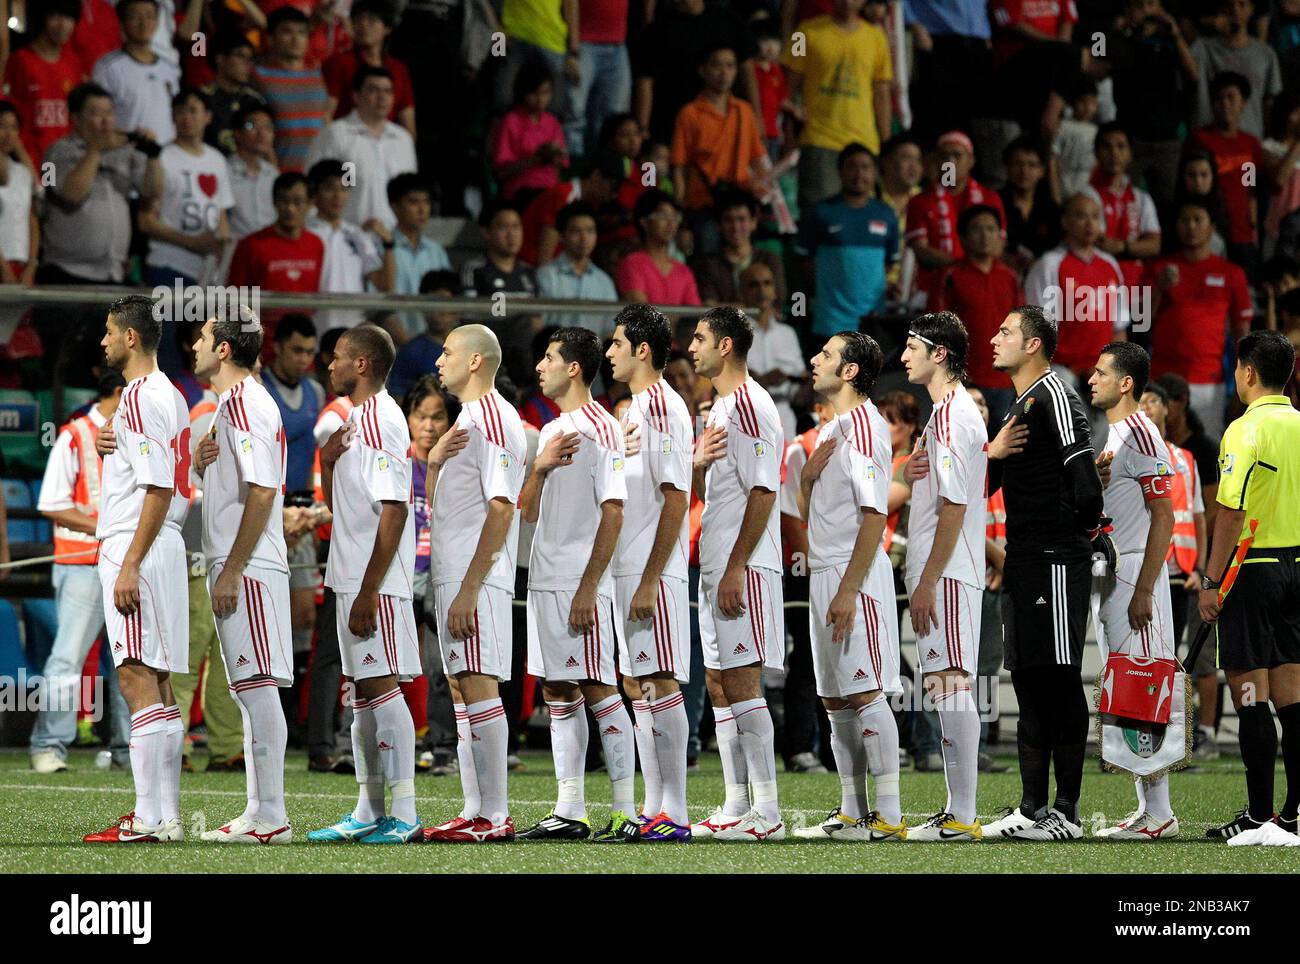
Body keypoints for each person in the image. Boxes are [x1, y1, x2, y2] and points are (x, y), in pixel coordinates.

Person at [982, 305, 1105, 841]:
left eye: (1006, 332)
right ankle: (1032, 807)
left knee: (1057, 677)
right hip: (1024, 557)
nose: (994, 338)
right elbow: (988, 482)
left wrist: (1084, 536)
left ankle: (1067, 810)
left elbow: (1083, 480)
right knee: (1030, 678)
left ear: (1034, 345)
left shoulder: (1055, 395)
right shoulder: (1021, 403)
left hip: (1055, 556)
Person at [516, 327, 634, 842]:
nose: (539, 366)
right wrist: (538, 471)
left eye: (548, 358)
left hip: (579, 581)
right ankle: (570, 810)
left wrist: (590, 586)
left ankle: (627, 811)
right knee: (558, 690)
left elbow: (614, 511)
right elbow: (528, 512)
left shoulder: (602, 428)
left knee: (600, 688)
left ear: (573, 368)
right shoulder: (550, 430)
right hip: (545, 576)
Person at [83, 295, 192, 843]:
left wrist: (129, 562)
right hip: (162, 546)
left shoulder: (143, 397)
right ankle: (163, 815)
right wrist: (116, 441)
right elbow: (155, 466)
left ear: (130, 337)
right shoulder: (165, 393)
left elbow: (158, 484)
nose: (102, 341)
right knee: (160, 679)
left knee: (135, 676)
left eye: (108, 332)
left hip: (138, 544)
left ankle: (151, 819)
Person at [308, 325, 422, 844]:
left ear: (361, 365)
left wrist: (371, 590)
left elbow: (395, 509)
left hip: (374, 582)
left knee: (381, 686)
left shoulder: (381, 419)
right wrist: (328, 463)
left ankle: (405, 813)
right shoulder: (358, 421)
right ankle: (367, 808)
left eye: (336, 358)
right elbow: (346, 508)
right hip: (351, 573)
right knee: (362, 693)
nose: (328, 365)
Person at [790, 331, 903, 841]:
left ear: (852, 370)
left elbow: (875, 514)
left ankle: (890, 815)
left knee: (866, 692)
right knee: (835, 698)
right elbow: (818, 514)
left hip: (853, 576)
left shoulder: (865, 426)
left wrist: (847, 589)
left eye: (828, 355)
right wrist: (809, 481)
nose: (815, 360)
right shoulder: (836, 426)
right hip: (825, 570)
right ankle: (852, 811)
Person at [189, 307, 292, 844]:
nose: (195, 344)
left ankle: (271, 815)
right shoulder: (230, 406)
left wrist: (232, 569)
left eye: (203, 336)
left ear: (225, 349)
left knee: (256, 689)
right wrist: (205, 462)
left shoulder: (246, 403)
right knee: (249, 688)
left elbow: (263, 489)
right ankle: (259, 812)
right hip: (239, 563)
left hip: (246, 567)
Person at [424, 326, 527, 843]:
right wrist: (432, 462)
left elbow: (503, 507)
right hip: (453, 572)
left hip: (476, 578)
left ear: (476, 360)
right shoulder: (469, 417)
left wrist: (469, 588)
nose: (439, 360)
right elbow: (448, 506)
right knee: (463, 690)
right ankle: (474, 810)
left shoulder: (493, 417)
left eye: (447, 352)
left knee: (480, 684)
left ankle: (496, 815)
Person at [1199, 330, 1300, 845]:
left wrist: (1211, 582)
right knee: (1292, 696)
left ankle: (1259, 817)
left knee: (1249, 693)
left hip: (1252, 569)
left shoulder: (1244, 430)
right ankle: (1293, 816)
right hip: (1298, 569)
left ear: (1248, 373)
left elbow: (1230, 511)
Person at [689, 306, 787, 841]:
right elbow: (718, 493)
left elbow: (764, 489)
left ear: (725, 346)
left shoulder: (750, 404)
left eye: (700, 338)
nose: (692, 347)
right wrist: (700, 465)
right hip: (718, 558)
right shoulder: (719, 408)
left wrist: (736, 567)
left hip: (740, 564)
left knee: (745, 682)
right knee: (720, 681)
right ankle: (734, 804)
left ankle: (767, 813)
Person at [604, 305, 694, 841]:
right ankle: (653, 806)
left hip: (648, 571)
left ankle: (676, 812)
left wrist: (649, 578)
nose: (608, 352)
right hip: (627, 566)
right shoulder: (636, 409)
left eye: (616, 343)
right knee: (639, 684)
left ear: (642, 350)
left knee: (659, 681)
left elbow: (677, 498)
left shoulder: (661, 406)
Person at [900, 312, 990, 841]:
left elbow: (956, 506)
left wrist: (930, 579)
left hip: (950, 571)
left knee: (951, 683)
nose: (904, 355)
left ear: (939, 354)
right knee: (941, 683)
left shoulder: (956, 415)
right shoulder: (944, 414)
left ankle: (963, 814)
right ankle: (958, 810)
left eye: (913, 347)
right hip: (943, 568)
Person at [1086, 342, 1180, 840]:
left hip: (1135, 580)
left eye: (1101, 373)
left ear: (1127, 383)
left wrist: (1145, 589)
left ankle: (1161, 811)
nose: (1091, 379)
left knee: (1145, 686)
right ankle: (1148, 807)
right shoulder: (1118, 435)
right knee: (1127, 691)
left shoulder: (1142, 435)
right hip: (1113, 578)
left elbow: (1164, 516)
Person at [30, 371, 130, 774]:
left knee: (133, 663)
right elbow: (51, 503)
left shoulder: (137, 437)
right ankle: (48, 746)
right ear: (121, 393)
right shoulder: (73, 436)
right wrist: (107, 527)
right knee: (68, 660)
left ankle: (129, 751)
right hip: (83, 564)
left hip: (127, 563)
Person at [1139, 383, 1216, 759]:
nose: (1149, 406)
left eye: (1155, 400)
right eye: (1142, 401)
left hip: (1180, 573)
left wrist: (1199, 566)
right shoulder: (1125, 454)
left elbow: (1198, 516)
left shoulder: (1185, 458)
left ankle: (1183, 735)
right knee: (1147, 658)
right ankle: (1145, 734)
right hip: (1143, 575)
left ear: (1168, 410)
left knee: (1184, 658)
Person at [1143, 200, 1254, 440]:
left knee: (1209, 448)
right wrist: (1159, 288)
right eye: (1184, 220)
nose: (1190, 227)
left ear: (1212, 227)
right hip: (1163, 377)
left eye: (1198, 220)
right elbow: (1141, 321)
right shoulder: (1159, 268)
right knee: (1156, 449)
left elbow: (1242, 332)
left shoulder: (1232, 273)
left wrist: (1244, 380)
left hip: (1208, 379)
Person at [38, 82, 163, 285]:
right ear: (76, 119)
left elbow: (153, 192)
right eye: (97, 114)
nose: (106, 121)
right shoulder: (54, 153)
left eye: (110, 112)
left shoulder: (125, 152)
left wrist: (153, 155)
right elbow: (70, 194)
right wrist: (96, 151)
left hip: (112, 274)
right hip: (65, 273)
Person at [782, 0, 893, 210]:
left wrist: (885, 141)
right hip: (818, 139)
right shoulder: (804, 32)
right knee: (819, 212)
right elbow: (789, 85)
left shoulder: (877, 37)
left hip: (864, 141)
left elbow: (882, 92)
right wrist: (789, 131)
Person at [1023, 193, 1129, 391]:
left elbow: (1119, 328)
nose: (1089, 223)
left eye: (1095, 217)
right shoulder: (1049, 265)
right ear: (1065, 221)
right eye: (1081, 216)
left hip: (1102, 374)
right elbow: (1036, 331)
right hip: (1061, 372)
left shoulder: (1110, 265)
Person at [797, 143, 898, 339]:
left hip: (874, 320)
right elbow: (805, 262)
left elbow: (889, 262)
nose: (859, 173)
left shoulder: (886, 214)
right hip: (831, 322)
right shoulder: (820, 212)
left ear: (875, 172)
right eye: (852, 166)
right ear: (840, 172)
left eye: (865, 167)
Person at [670, 43, 768, 240]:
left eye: (730, 66)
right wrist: (679, 215)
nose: (724, 72)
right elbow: (680, 168)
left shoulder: (744, 111)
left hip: (739, 202)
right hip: (703, 204)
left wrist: (766, 192)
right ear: (702, 70)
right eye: (717, 65)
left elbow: (758, 160)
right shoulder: (690, 114)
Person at [139, 88, 233, 289]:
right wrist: (191, 242)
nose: (186, 117)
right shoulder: (160, 157)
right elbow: (145, 221)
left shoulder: (217, 159)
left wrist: (221, 255)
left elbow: (221, 213)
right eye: (180, 111)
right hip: (167, 264)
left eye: (193, 111)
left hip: (207, 272)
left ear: (207, 116)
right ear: (172, 116)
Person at [304, 65, 417, 230]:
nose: (382, 97)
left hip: (393, 240)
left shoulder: (403, 139)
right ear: (356, 96)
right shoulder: (335, 134)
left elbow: (411, 193)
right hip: (347, 238)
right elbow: (312, 188)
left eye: (388, 91)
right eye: (374, 90)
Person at [935, 204, 1022, 410]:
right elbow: (937, 332)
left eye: (991, 229)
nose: (985, 235)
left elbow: (1021, 328)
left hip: (1005, 381)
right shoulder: (951, 276)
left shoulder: (1010, 277)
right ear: (963, 237)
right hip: (965, 382)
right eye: (977, 229)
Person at [906, 131, 1006, 307]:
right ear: (936, 161)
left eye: (957, 155)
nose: (950, 161)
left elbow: (999, 244)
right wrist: (962, 267)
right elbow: (921, 249)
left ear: (971, 161)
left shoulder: (989, 198)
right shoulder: (920, 201)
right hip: (932, 288)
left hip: (981, 284)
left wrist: (968, 270)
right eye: (944, 156)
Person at [1189, 71, 1266, 277]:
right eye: (1219, 98)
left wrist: (1252, 214)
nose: (1225, 104)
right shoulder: (1201, 139)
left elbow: (1250, 183)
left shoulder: (1250, 143)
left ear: (1243, 103)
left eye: (1231, 97)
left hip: (1244, 234)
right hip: (1211, 233)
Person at [304, 159, 393, 330]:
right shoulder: (304, 232)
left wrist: (389, 244)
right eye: (330, 188)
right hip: (315, 325)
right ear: (314, 193)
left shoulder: (357, 234)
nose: (338, 196)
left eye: (344, 189)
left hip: (352, 327)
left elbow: (385, 285)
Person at [226, 172, 325, 315]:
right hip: (260, 334)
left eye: (298, 201)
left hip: (303, 334)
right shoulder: (251, 245)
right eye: (284, 200)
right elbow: (234, 300)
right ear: (274, 202)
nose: (290, 208)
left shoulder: (316, 244)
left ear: (310, 204)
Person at [1082, 123, 1162, 290]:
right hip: (1098, 288)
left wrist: (1122, 247)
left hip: (1138, 287)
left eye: (1121, 146)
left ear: (1130, 154)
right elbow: (1098, 241)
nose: (1114, 153)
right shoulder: (1086, 196)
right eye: (1107, 146)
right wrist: (1137, 247)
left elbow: (1154, 245)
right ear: (1096, 153)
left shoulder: (1141, 197)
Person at [4, 0, 84, 164]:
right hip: (31, 161)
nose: (63, 25)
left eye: (69, 18)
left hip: (64, 163)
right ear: (41, 19)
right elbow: (9, 118)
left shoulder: (74, 64)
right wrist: (28, 167)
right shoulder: (21, 61)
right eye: (55, 17)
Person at [91, 0, 180, 146]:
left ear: (157, 22)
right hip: (124, 155)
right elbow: (98, 117)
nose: (143, 23)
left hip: (165, 156)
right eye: (135, 17)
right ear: (122, 23)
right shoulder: (107, 67)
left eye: (149, 16)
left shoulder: (169, 68)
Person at [1190, 0, 1282, 139]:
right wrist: (1208, 24)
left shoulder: (1265, 54)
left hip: (1251, 139)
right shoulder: (1203, 47)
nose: (1235, 10)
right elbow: (1189, 69)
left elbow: (1270, 102)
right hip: (1210, 140)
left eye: (1242, 4)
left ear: (1251, 9)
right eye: (1229, 5)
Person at [252, 7, 329, 173]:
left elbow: (326, 122)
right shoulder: (258, 76)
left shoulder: (318, 74)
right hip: (277, 176)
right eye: (287, 32)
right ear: (271, 38)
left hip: (316, 178)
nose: (296, 39)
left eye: (302, 33)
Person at [322, 0, 415, 135]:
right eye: (358, 20)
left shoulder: (399, 69)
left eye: (371, 20)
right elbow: (325, 114)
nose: (363, 25)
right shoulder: (339, 62)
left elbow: (408, 121)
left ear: (387, 28)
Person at [739, 261, 805, 441]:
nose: (761, 290)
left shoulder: (787, 334)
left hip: (784, 420)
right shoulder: (734, 334)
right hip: (745, 419)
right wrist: (763, 381)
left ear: (775, 290)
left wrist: (808, 385)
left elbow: (797, 391)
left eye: (767, 283)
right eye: (754, 285)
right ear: (741, 293)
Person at [692, 189, 787, 306]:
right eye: (728, 220)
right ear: (718, 225)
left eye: (741, 219)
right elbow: (709, 305)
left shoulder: (769, 260)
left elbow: (777, 299)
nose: (735, 227)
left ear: (753, 222)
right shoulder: (708, 264)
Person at [535, 201, 619, 333]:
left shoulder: (604, 281)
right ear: (562, 236)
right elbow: (537, 325)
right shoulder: (546, 275)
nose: (584, 238)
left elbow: (610, 330)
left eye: (590, 231)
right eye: (576, 231)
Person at [492, 61, 568, 204]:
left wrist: (554, 156)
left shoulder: (552, 122)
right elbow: (501, 172)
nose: (540, 99)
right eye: (534, 93)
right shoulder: (511, 121)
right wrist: (535, 160)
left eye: (545, 93)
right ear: (523, 93)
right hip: (520, 192)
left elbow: (560, 166)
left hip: (550, 191)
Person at [616, 189, 701, 306]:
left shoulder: (684, 271)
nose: (671, 223)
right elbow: (642, 314)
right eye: (663, 216)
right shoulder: (633, 263)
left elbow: (694, 315)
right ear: (644, 222)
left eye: (675, 217)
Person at [200, 34, 267, 156]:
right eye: (241, 56)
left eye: (250, 59)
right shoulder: (201, 99)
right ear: (220, 59)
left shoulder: (254, 101)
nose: (248, 64)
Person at [225, 104, 278, 247]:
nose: (262, 134)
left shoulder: (273, 175)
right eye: (252, 126)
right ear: (237, 133)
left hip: (269, 253)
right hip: (234, 253)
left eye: (268, 128)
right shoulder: (224, 171)